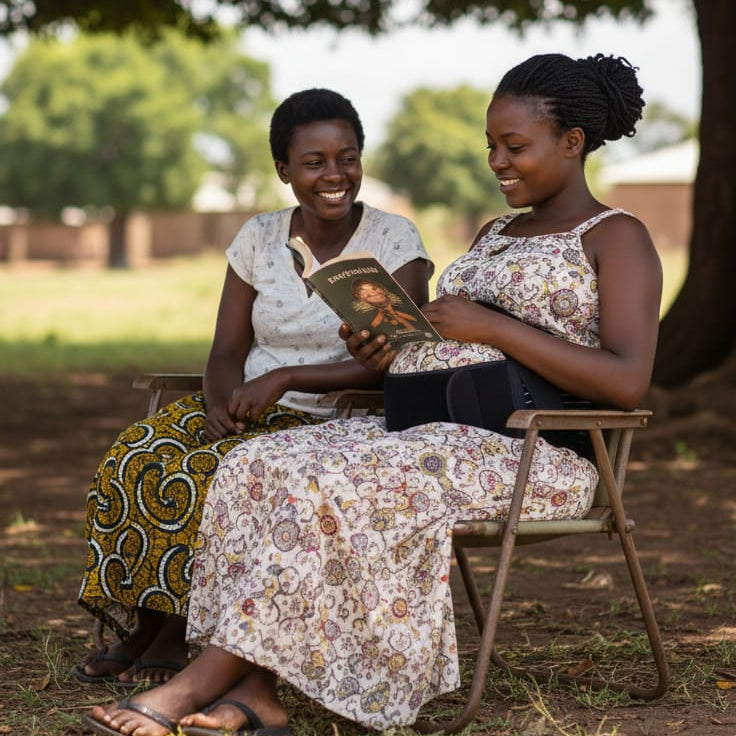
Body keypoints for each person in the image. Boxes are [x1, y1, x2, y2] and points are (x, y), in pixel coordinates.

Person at [82, 52, 662, 736]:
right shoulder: (495, 233)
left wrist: (493, 327)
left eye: (514, 146)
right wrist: (385, 351)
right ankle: (258, 692)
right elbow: (447, 340)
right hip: (427, 428)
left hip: (531, 451)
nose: (497, 162)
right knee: (256, 464)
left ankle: (198, 682)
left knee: (328, 482)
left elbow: (627, 380)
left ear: (572, 142)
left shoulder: (616, 237)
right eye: (491, 146)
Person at [74, 88, 432, 689]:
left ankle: (174, 631)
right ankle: (148, 621)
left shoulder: (394, 239)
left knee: (210, 474)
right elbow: (226, 351)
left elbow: (395, 358)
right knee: (139, 454)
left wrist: (285, 378)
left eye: (347, 158)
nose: (335, 174)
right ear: (284, 170)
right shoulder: (259, 237)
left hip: (340, 418)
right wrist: (220, 406)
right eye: (314, 162)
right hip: (249, 406)